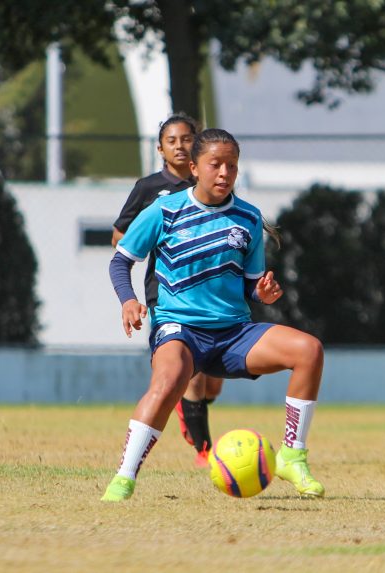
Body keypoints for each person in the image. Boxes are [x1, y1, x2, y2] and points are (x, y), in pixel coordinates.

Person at [101, 128, 326, 501]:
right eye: (215, 164)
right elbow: (121, 260)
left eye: (232, 166)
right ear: (194, 167)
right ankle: (124, 478)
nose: (224, 173)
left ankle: (292, 456)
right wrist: (128, 300)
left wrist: (261, 292)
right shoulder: (164, 210)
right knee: (168, 381)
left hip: (234, 332)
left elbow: (251, 283)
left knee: (309, 350)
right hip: (181, 329)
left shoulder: (249, 218)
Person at [111, 113, 223, 468]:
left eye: (186, 139)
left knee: (212, 384)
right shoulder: (148, 189)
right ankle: (203, 449)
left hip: (213, 295)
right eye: (172, 141)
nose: (179, 145)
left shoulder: (211, 184)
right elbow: (121, 238)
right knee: (192, 374)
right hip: (166, 294)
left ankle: (190, 411)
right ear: (160, 149)